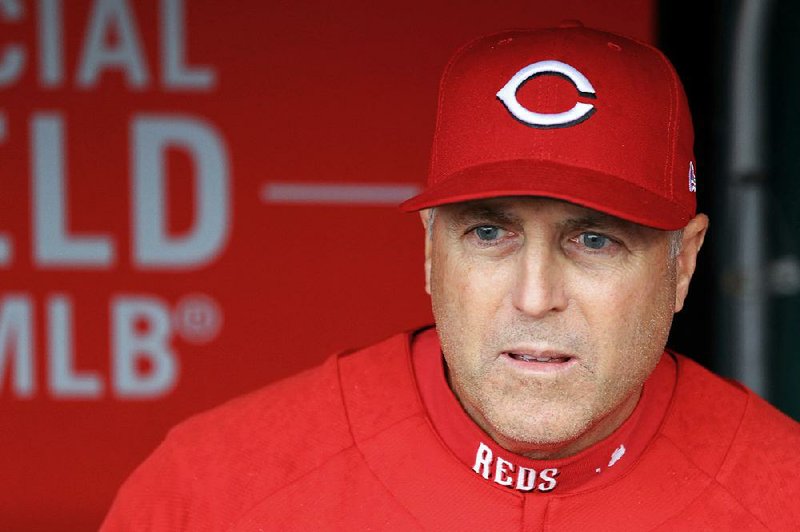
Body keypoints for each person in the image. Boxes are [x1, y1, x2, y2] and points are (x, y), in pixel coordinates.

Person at [102, 24, 800, 530]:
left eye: (594, 239)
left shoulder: (782, 496)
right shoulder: (213, 491)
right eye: (489, 233)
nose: (534, 296)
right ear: (431, 252)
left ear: (685, 265)